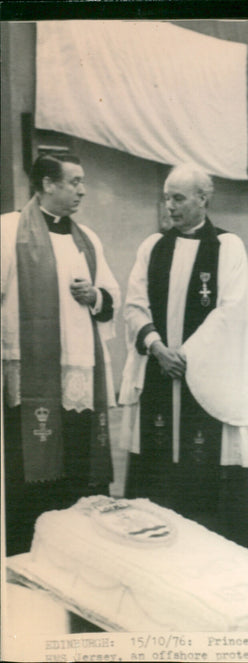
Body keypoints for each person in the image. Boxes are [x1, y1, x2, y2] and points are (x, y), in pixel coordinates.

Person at [118, 163, 248, 550]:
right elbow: (134, 306)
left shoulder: (227, 246)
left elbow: (232, 310)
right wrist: (157, 349)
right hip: (160, 369)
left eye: (178, 198)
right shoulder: (152, 247)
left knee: (205, 464)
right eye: (166, 197)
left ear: (203, 199)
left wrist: (184, 356)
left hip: (204, 377)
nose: (169, 207)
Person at [1, 153, 119, 555]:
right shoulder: (7, 231)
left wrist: (96, 296)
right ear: (47, 184)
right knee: (29, 474)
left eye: (83, 182)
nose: (82, 190)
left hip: (78, 374)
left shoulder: (88, 239)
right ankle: (27, 549)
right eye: (74, 182)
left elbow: (111, 295)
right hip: (30, 379)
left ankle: (77, 550)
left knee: (77, 468)